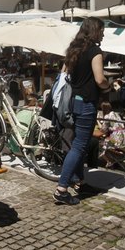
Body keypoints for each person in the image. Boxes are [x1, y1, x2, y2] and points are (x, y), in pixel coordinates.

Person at [52, 17, 110, 205]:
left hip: (73, 103)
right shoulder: (95, 51)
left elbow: (64, 75)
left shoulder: (73, 50)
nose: (103, 33)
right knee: (79, 146)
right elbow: (100, 79)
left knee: (78, 142)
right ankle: (61, 189)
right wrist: (109, 88)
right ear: (94, 31)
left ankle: (80, 182)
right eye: (101, 30)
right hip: (86, 103)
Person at [97, 102, 125, 168]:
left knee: (100, 144)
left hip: (117, 139)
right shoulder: (116, 114)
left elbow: (103, 129)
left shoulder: (107, 116)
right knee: (106, 140)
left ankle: (109, 161)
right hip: (123, 139)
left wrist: (98, 122)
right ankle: (114, 159)